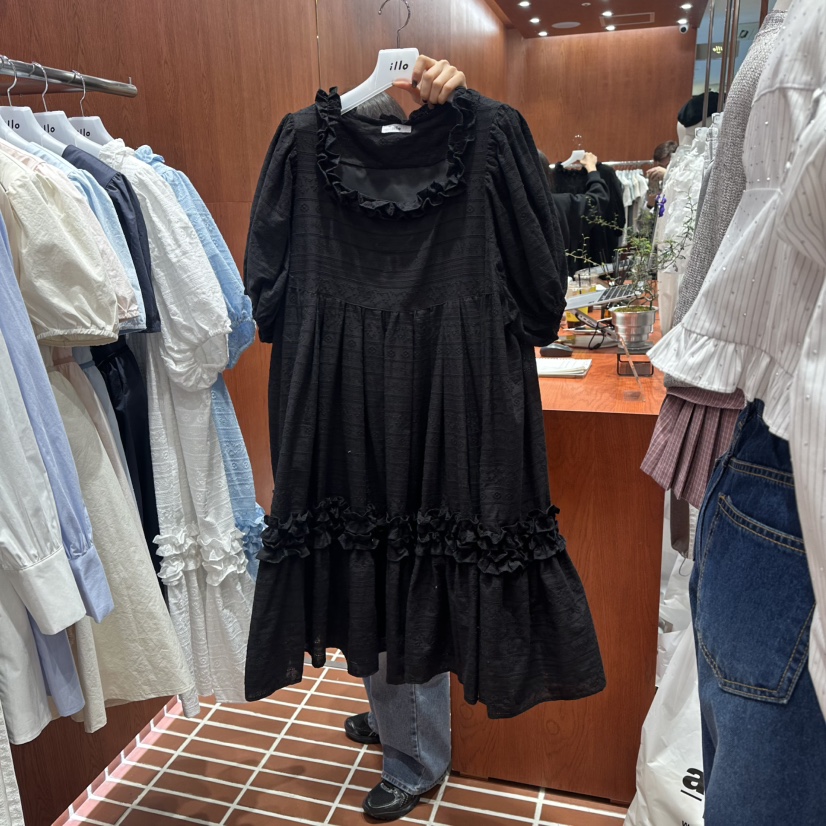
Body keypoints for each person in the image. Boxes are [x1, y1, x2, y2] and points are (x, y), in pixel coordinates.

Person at [341, 54, 465, 824]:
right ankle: (397, 718)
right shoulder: (319, 158)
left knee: (405, 573)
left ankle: (415, 753)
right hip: (357, 395)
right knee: (372, 565)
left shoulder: (464, 158)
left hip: (424, 395)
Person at [537, 149, 610, 278]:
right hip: (553, 280)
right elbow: (596, 200)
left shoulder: (504, 210)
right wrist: (592, 170)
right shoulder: (558, 204)